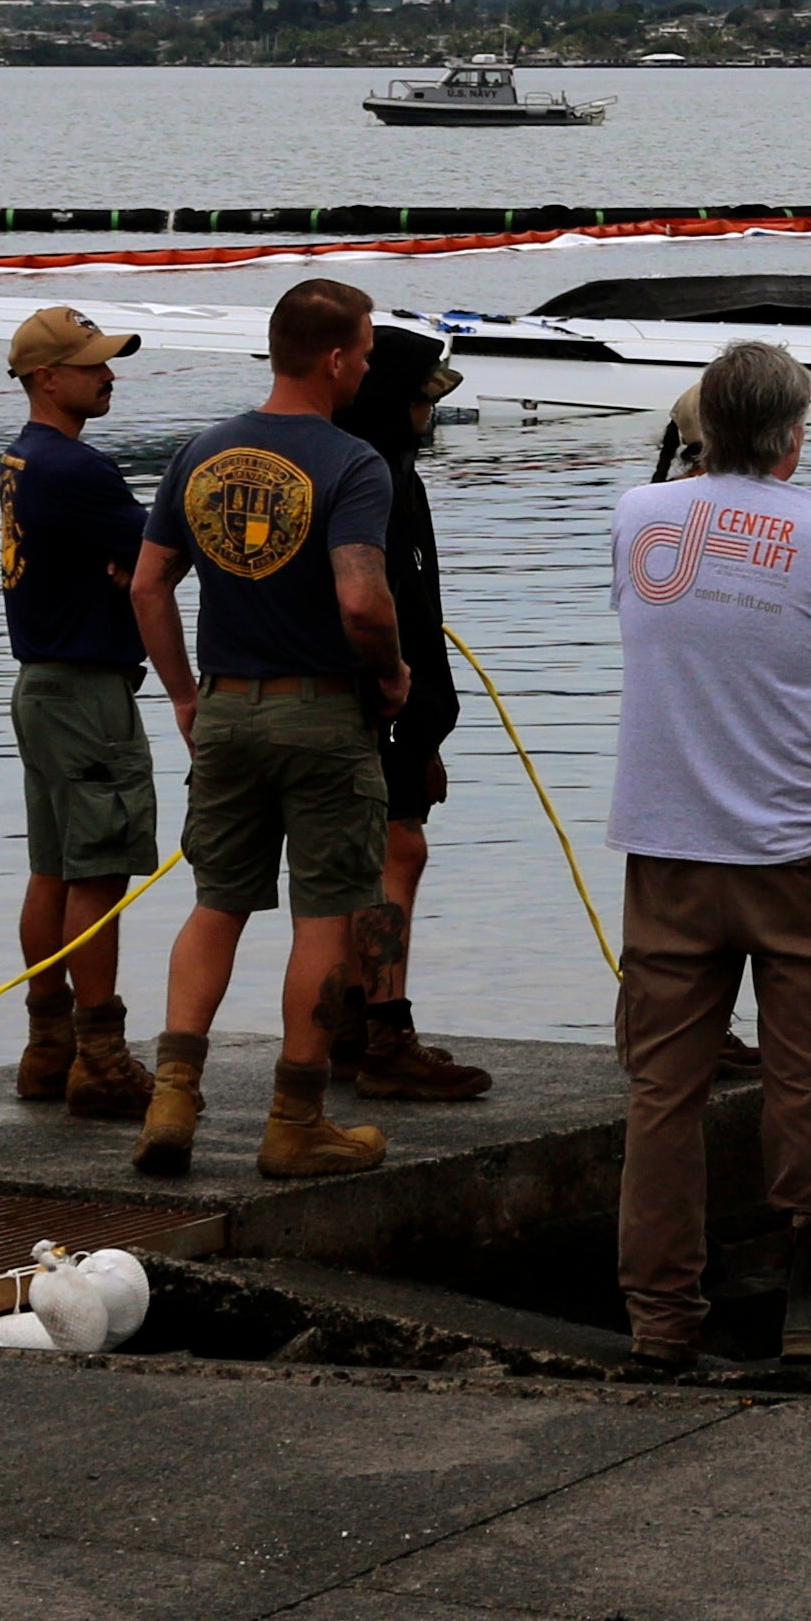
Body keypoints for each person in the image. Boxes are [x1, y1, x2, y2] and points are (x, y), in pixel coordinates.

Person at [606, 338, 811, 1370]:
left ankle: (661, 1321)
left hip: (664, 846)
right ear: (793, 437)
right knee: (809, 1083)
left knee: (662, 1094)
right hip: (796, 854)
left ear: (699, 428)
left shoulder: (638, 517)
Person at [126, 276, 416, 1182]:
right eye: (365, 353)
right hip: (322, 715)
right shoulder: (353, 463)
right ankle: (295, 1122)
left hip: (227, 709)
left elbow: (146, 586)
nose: (368, 368)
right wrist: (395, 672)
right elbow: (363, 600)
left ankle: (173, 1098)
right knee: (326, 914)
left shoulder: (200, 453)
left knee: (217, 905)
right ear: (334, 359)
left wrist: (182, 697)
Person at [0, 306, 159, 1123]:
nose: (109, 374)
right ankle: (99, 1055)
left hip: (41, 684)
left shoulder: (24, 461)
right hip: (90, 690)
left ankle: (46, 1044)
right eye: (93, 364)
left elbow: (127, 555)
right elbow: (160, 555)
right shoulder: (76, 470)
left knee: (53, 863)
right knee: (97, 865)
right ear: (47, 378)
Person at [335, 322, 491, 1103]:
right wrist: (408, 714)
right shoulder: (376, 479)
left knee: (355, 858)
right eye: (420, 402)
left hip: (374, 705)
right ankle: (384, 1028)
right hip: (377, 700)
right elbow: (382, 608)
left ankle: (346, 1016)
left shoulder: (378, 470)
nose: (430, 417)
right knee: (398, 852)